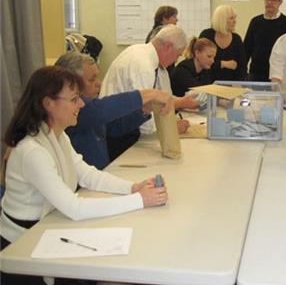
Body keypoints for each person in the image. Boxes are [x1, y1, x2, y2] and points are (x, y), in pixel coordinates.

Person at [0, 66, 168, 284]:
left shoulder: (57, 137)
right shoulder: (33, 151)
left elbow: (87, 174)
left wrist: (132, 188)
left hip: (46, 229)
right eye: (74, 99)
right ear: (48, 103)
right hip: (22, 250)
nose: (81, 104)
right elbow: (74, 208)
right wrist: (139, 200)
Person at [55, 52, 174, 170]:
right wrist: (148, 95)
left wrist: (143, 110)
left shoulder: (90, 109)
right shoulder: (73, 109)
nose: (99, 84)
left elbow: (114, 127)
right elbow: (100, 109)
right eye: (92, 80)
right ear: (71, 84)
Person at [100, 25, 194, 161]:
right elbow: (146, 116)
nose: (176, 61)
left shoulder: (142, 53)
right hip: (118, 133)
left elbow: (161, 98)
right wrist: (171, 129)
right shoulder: (144, 66)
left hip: (122, 126)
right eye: (178, 55)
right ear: (168, 47)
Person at [244, 0, 286, 82]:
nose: (269, 3)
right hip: (256, 73)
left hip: (278, 74)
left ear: (280, 2)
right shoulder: (255, 21)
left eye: (273, 0)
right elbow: (246, 48)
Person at [199, 5, 247, 81]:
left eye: (235, 18)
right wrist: (222, 64)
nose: (235, 21)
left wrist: (238, 84)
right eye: (231, 18)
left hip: (231, 85)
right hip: (208, 83)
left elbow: (242, 66)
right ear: (222, 20)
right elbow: (201, 61)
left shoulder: (237, 39)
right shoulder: (207, 35)